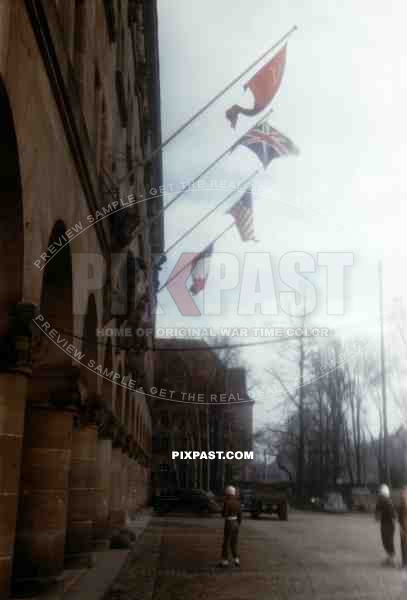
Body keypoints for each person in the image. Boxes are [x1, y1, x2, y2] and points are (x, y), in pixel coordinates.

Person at [220, 485, 242, 567]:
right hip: (236, 523)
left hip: (229, 523)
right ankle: (236, 560)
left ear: (228, 493)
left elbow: (224, 514)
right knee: (234, 543)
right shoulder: (238, 502)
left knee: (226, 543)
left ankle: (225, 561)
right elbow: (240, 516)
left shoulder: (227, 502)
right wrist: (237, 524)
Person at [375, 484, 396, 566]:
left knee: (388, 540)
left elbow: (393, 514)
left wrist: (393, 521)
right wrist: (377, 516)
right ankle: (389, 558)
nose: (380, 496)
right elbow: (377, 511)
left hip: (389, 524)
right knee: (385, 540)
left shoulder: (387, 501)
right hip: (385, 523)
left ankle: (391, 559)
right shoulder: (381, 501)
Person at [398, 486, 407, 568]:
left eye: (403, 492)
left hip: (404, 527)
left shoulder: (403, 503)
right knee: (403, 545)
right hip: (403, 526)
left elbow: (403, 517)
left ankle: (405, 563)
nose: (402, 494)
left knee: (404, 545)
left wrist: (402, 528)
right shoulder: (402, 503)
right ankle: (404, 562)